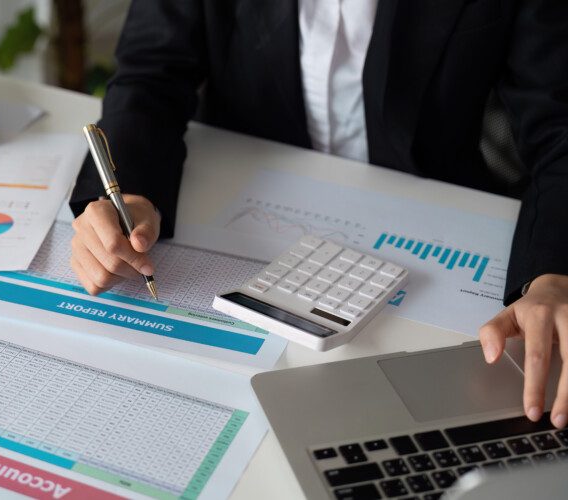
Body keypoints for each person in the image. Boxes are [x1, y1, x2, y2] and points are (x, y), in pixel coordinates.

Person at [68, 0, 568, 428]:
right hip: (250, 206)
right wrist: (129, 193)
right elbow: (152, 72)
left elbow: (559, 127)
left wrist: (552, 274)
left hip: (438, 234)